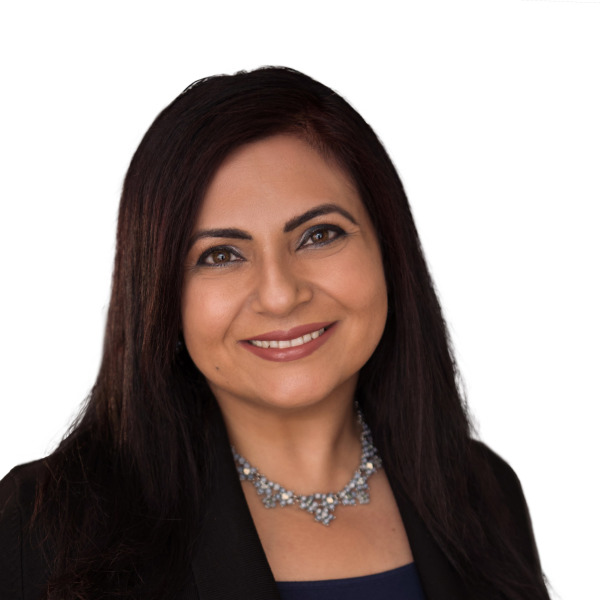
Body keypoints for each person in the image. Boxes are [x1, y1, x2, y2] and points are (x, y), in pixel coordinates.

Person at [0, 67, 550, 600]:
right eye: (220, 255)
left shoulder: (485, 493)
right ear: (159, 295)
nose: (281, 295)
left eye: (320, 235)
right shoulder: (41, 527)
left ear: (389, 249)